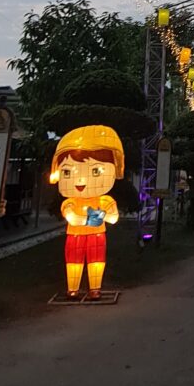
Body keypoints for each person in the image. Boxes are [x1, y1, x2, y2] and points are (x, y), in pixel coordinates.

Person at [50, 124, 124, 301]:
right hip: (75, 235)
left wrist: (93, 218)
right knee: (73, 263)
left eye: (96, 170)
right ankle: (73, 288)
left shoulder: (104, 200)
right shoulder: (70, 202)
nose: (81, 180)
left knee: (96, 263)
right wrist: (95, 218)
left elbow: (114, 218)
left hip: (97, 236)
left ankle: (95, 289)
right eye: (68, 171)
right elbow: (73, 219)